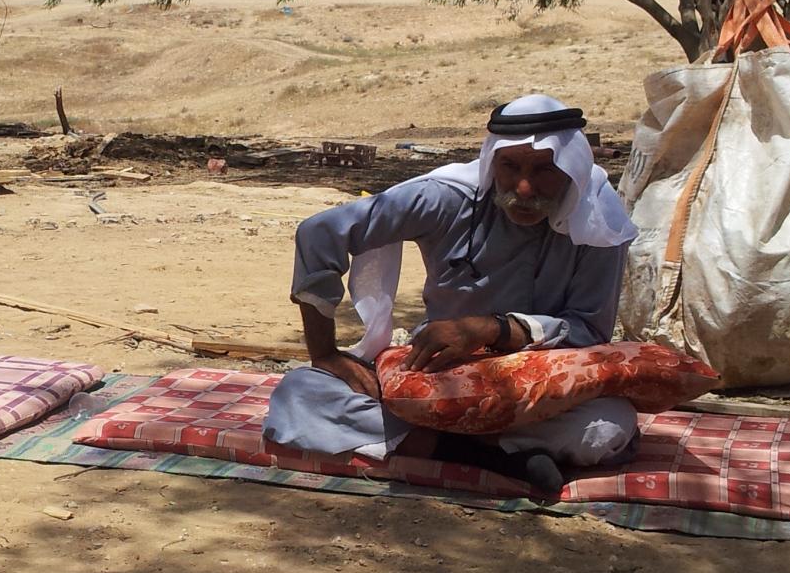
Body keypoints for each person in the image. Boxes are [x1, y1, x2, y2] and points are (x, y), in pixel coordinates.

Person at [262, 93, 639, 494]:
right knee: (300, 393)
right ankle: (489, 455)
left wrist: (492, 330)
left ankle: (442, 445)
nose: (525, 188)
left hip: (539, 386)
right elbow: (319, 232)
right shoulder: (448, 197)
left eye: (544, 170)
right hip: (434, 376)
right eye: (509, 167)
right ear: (492, 161)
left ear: (571, 169)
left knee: (609, 424)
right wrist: (325, 354)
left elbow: (590, 332)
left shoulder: (599, 221)